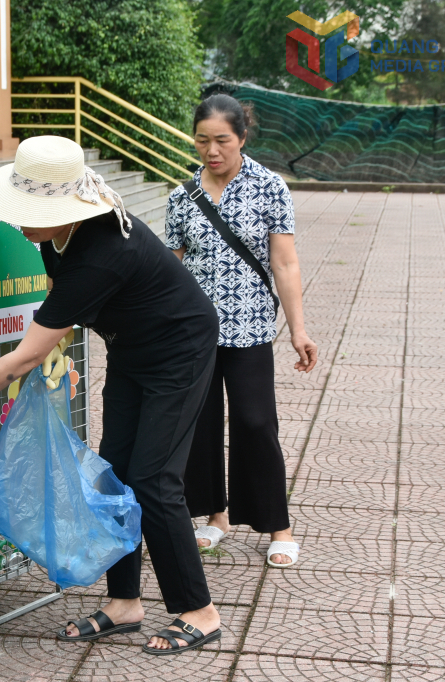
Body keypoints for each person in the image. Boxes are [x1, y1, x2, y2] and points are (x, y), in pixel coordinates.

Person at [0, 135, 223, 654]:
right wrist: (61, 332)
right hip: (131, 349)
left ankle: (199, 610)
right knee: (113, 475)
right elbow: (61, 297)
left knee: (154, 480)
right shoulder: (55, 236)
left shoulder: (101, 252)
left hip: (179, 350)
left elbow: (26, 355)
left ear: (64, 206)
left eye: (29, 211)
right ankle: (125, 604)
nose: (20, 221)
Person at [164, 94, 318, 568]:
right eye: (203, 141)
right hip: (194, 335)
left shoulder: (269, 187)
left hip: (250, 328)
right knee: (201, 427)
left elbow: (285, 263)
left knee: (255, 423)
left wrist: (298, 330)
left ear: (242, 137)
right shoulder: (181, 197)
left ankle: (279, 526)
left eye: (222, 141)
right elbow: (170, 268)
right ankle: (216, 516)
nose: (212, 151)